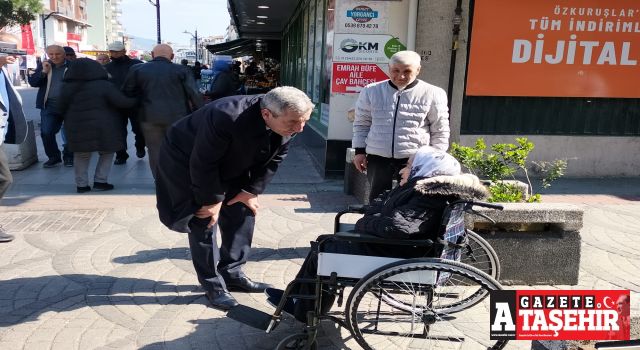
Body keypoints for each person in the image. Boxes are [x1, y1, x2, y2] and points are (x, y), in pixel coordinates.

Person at [266, 146, 489, 322]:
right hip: (400, 249)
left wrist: (365, 223)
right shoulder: (423, 190)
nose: (402, 170)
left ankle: (303, 310)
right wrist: (375, 214)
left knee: (324, 246)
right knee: (329, 243)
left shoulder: (426, 195)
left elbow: (397, 228)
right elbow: (390, 211)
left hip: (397, 254)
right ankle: (299, 299)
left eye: (409, 165)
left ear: (425, 169)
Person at [155, 86, 314, 310]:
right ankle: (213, 285)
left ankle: (232, 273)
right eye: (293, 123)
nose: (300, 128)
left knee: (243, 208)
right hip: (188, 159)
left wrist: (250, 191)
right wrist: (211, 202)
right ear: (267, 114)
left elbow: (276, 157)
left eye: (305, 121)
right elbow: (203, 163)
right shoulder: (226, 115)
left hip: (234, 157)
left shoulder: (288, 118)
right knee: (204, 218)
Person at [352, 50, 451, 203]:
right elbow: (362, 123)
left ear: (418, 70)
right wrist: (359, 151)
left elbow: (440, 129)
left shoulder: (433, 93)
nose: (401, 76)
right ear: (388, 68)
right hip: (378, 157)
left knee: (409, 201)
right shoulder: (371, 91)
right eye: (395, 71)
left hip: (414, 158)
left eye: (407, 71)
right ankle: (374, 225)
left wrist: (435, 160)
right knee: (376, 200)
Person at [122, 44, 202, 179]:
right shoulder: (182, 70)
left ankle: (160, 181)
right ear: (172, 56)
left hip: (149, 116)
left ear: (152, 55)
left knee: (154, 150)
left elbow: (127, 92)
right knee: (179, 149)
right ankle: (178, 179)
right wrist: (202, 112)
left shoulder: (137, 69)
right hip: (179, 117)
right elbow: (194, 94)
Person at [57, 58, 137, 193]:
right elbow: (122, 102)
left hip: (76, 126)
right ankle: (101, 181)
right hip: (104, 126)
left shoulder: (67, 87)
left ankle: (81, 185)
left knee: (81, 155)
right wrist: (137, 98)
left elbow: (59, 108)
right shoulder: (104, 85)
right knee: (107, 152)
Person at [28, 45, 74, 168]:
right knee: (46, 132)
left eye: (57, 54)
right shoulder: (44, 65)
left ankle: (69, 156)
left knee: (70, 132)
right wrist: (43, 72)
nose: (54, 57)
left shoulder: (73, 66)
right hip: (48, 106)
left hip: (70, 106)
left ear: (64, 54)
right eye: (51, 54)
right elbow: (33, 83)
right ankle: (54, 157)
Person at [0, 54, 28, 243]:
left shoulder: (3, 71)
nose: (15, 55)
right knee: (4, 178)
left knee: (4, 179)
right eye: (9, 50)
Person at [105, 41, 145, 165]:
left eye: (116, 51)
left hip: (135, 103)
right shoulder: (107, 68)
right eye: (112, 51)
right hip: (116, 105)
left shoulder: (137, 65)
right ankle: (121, 154)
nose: (114, 54)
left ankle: (140, 145)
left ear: (124, 51)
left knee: (138, 129)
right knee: (118, 130)